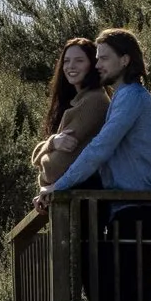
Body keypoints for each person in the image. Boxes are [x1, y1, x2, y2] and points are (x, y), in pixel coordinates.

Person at [39, 27, 151, 203]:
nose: (98, 65)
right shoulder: (122, 96)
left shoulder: (132, 96)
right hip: (125, 202)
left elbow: (100, 148)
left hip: (138, 204)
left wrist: (58, 186)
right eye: (97, 59)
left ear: (124, 60)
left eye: (104, 58)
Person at [32, 37, 109, 189]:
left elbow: (53, 170)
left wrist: (44, 182)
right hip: (78, 199)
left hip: (88, 201)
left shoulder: (94, 102)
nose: (71, 66)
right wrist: (53, 142)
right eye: (66, 61)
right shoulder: (78, 101)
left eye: (79, 60)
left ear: (92, 65)